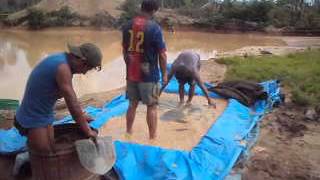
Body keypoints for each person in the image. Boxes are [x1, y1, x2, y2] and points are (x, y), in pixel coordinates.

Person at [14, 43, 102, 153]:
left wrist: (82, 116)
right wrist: (88, 131)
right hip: (32, 117)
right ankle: (21, 160)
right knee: (46, 154)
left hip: (45, 113)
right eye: (86, 68)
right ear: (81, 60)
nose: (84, 73)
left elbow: (71, 98)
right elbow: (72, 103)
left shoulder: (64, 60)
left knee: (52, 147)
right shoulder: (63, 69)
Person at [122, 0, 167, 139]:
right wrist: (164, 74)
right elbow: (162, 55)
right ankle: (152, 138)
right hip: (149, 75)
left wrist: (128, 67)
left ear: (142, 7)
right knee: (152, 106)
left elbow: (124, 51)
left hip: (132, 74)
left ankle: (128, 132)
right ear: (154, 10)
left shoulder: (127, 26)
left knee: (132, 104)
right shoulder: (155, 28)